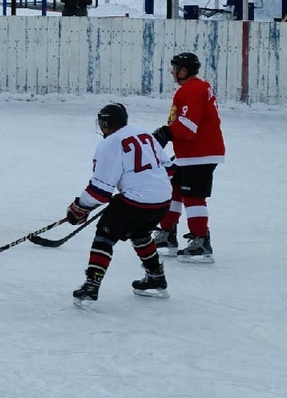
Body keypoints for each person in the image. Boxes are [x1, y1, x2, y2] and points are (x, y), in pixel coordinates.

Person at [63, 102, 172, 305]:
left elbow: (100, 191)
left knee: (105, 234)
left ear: (105, 124)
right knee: (139, 232)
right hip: (163, 201)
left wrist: (80, 207)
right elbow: (170, 169)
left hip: (137, 201)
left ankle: (91, 286)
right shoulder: (144, 133)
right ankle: (156, 279)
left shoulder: (110, 143)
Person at [151, 52, 226, 263]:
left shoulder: (193, 90)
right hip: (192, 153)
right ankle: (167, 234)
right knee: (173, 188)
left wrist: (167, 132)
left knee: (193, 197)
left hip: (200, 154)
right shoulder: (194, 88)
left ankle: (201, 242)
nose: (172, 71)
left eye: (175, 67)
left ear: (185, 70)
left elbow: (188, 126)